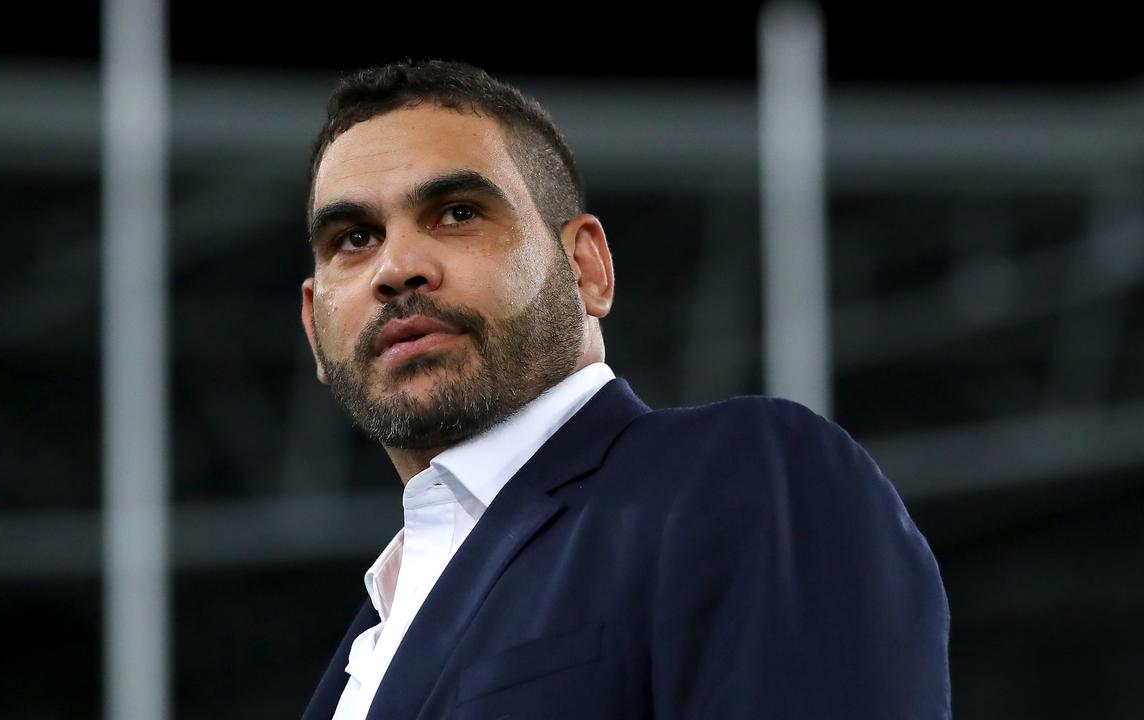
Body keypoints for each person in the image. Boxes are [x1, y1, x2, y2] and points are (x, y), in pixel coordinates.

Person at [298, 59, 950, 720]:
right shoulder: (366, 647)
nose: (397, 267)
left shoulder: (733, 475)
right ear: (314, 327)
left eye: (458, 212)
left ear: (586, 268)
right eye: (354, 239)